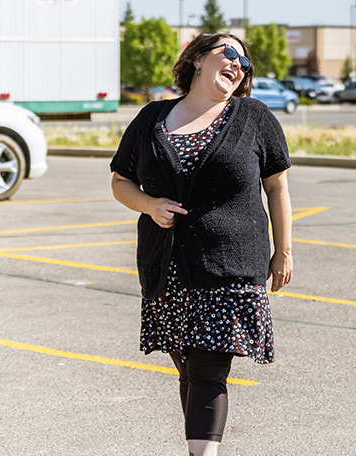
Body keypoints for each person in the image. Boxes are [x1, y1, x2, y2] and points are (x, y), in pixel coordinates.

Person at [110, 33, 292, 456]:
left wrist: (283, 251)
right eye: (228, 53)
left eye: (244, 62)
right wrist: (150, 204)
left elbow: (277, 187)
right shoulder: (152, 118)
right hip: (166, 266)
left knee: (208, 369)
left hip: (231, 266)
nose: (237, 64)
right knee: (189, 370)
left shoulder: (254, 117)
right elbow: (120, 181)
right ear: (196, 59)